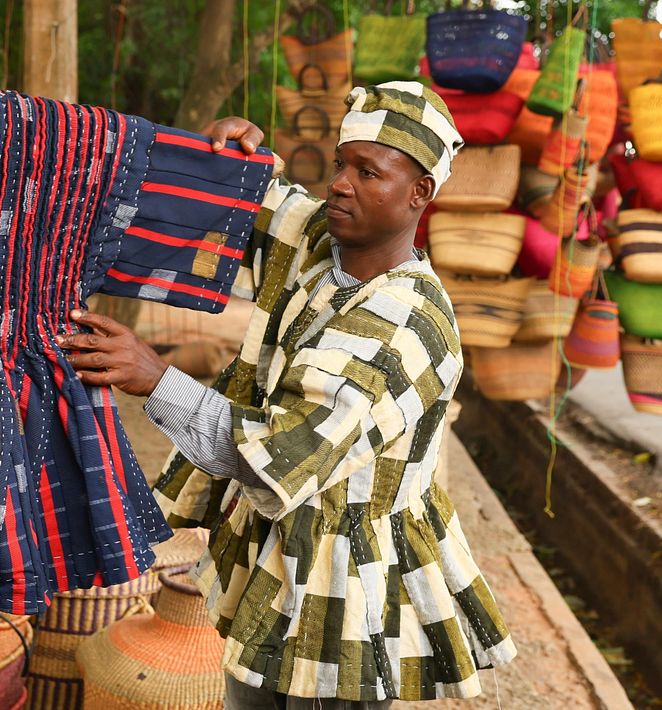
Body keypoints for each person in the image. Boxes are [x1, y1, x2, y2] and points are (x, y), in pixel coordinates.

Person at [58, 81, 515, 708]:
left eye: (369, 173)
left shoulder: (401, 326)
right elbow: (261, 203)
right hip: (281, 561)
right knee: (249, 692)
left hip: (344, 588)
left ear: (420, 193)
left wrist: (154, 378)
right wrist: (231, 156)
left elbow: (273, 456)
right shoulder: (327, 246)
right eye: (341, 164)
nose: (341, 185)